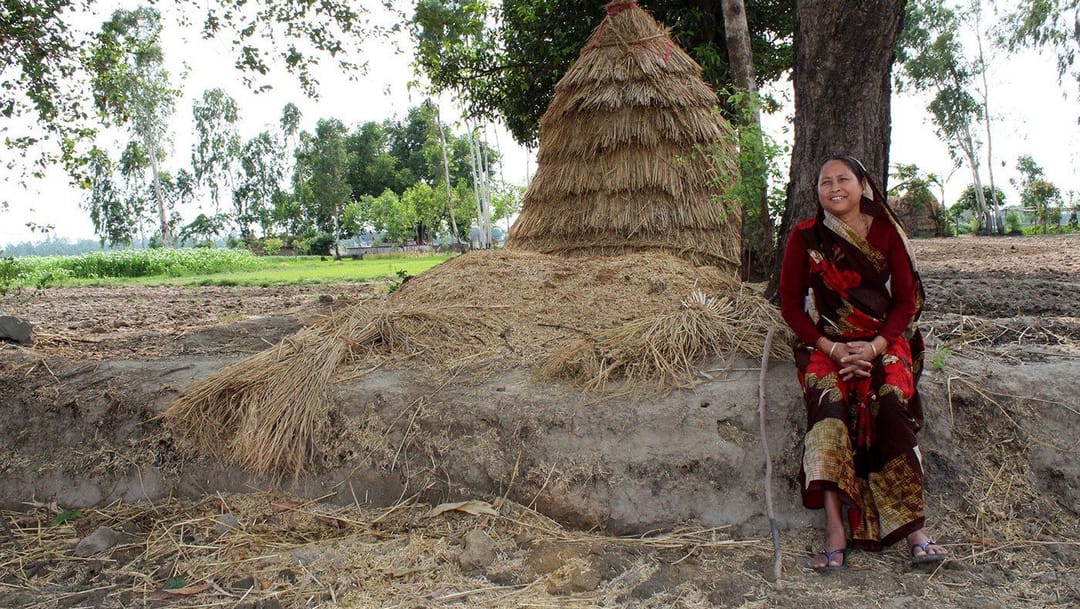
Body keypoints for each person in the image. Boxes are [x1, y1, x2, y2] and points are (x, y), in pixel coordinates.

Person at [779, 154, 949, 572]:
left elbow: (907, 301)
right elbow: (790, 306)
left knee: (890, 400)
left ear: (862, 186)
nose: (834, 188)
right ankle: (835, 529)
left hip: (883, 338)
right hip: (826, 342)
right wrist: (833, 349)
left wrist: (874, 348)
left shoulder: (887, 233)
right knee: (829, 410)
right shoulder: (806, 237)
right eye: (825, 182)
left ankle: (913, 527)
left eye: (843, 180)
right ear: (816, 191)